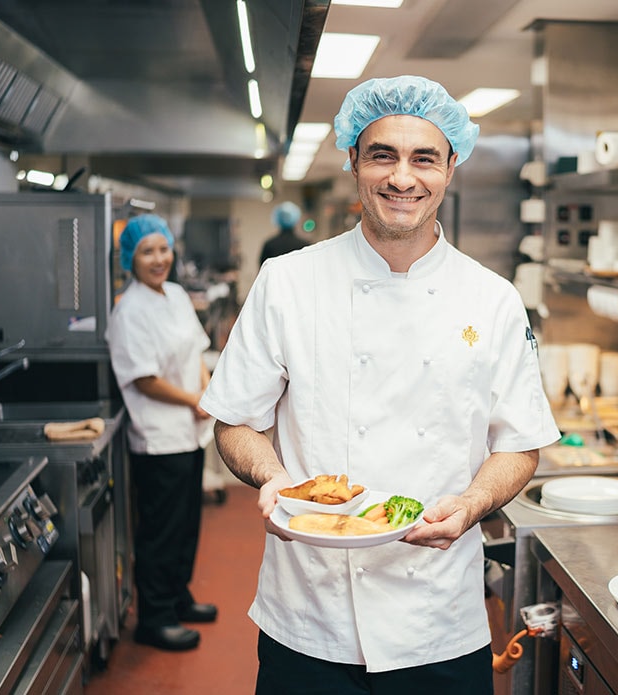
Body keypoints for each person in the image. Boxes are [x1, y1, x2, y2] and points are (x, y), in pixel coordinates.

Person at [200, 75, 560, 693]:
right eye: (382, 155)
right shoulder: (287, 283)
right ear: (353, 161)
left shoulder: (494, 300)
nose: (402, 177)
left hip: (440, 620)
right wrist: (274, 477)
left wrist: (472, 505)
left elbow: (520, 443)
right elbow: (234, 420)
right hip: (308, 617)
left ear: (451, 167)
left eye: (424, 158)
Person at [106, 214, 217, 652]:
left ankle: (177, 596)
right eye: (147, 252)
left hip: (190, 433)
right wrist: (195, 401)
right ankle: (154, 617)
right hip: (158, 437)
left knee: (187, 523)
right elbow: (144, 379)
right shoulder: (128, 310)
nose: (158, 259)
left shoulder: (175, 294)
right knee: (160, 530)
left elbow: (198, 353)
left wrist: (209, 393)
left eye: (163, 249)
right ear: (130, 259)